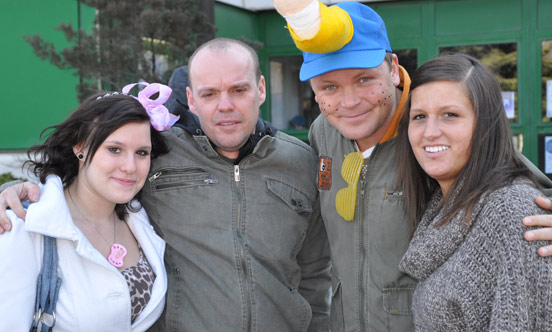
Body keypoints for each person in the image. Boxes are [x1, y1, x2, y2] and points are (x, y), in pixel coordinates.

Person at [0, 38, 331, 331]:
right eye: (209, 93)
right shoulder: (159, 152)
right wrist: (21, 191)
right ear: (190, 98)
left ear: (260, 88)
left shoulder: (301, 162)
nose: (225, 105)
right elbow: (94, 176)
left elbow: (315, 273)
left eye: (238, 90)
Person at [270, 0, 552, 331]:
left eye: (364, 80)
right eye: (329, 87)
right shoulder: (324, 131)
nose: (349, 102)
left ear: (392, 68)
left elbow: (515, 182)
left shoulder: (429, 126)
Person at [396, 53, 552, 331]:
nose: (430, 132)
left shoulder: (513, 211)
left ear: (485, 125)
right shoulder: (441, 208)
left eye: (450, 115)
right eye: (419, 116)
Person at [0, 83, 171, 331]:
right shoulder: (24, 227)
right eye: (114, 149)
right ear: (79, 147)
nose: (130, 166)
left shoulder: (143, 218)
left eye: (142, 152)